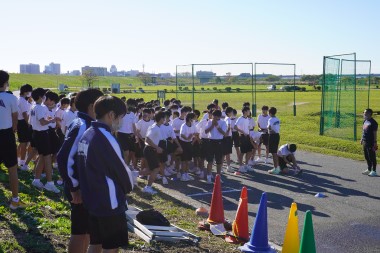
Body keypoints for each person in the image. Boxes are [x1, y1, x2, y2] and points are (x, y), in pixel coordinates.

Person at [77, 95, 134, 252]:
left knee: (95, 243)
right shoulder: (106, 137)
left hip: (92, 198)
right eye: (121, 117)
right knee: (111, 247)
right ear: (111, 115)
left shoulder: (88, 133)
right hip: (110, 202)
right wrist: (129, 188)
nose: (121, 122)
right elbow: (122, 171)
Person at [57, 88, 103, 253]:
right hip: (80, 189)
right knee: (79, 232)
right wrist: (74, 187)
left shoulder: (83, 122)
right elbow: (64, 157)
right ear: (92, 106)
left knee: (86, 232)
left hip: (86, 188)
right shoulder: (83, 125)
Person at [0, 70, 27, 209]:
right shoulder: (11, 98)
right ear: (5, 83)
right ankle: (15, 200)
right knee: (12, 168)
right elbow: (15, 118)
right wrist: (14, 130)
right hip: (6, 135)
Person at [30, 88, 60, 193]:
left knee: (42, 156)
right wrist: (52, 120)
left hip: (36, 133)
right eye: (44, 96)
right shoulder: (40, 107)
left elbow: (35, 121)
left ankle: (36, 179)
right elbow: (42, 122)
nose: (45, 98)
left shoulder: (34, 106)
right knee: (47, 158)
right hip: (42, 134)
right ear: (40, 97)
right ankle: (49, 183)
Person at [143, 111, 167, 193]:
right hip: (149, 150)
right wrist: (157, 147)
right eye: (164, 118)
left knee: (151, 169)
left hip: (151, 150)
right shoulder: (154, 128)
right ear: (161, 119)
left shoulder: (158, 127)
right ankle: (147, 187)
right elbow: (147, 139)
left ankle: (133, 174)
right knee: (156, 169)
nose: (165, 119)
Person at [205, 109, 227, 183]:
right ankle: (208, 176)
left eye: (215, 116)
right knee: (210, 160)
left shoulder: (223, 122)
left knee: (219, 161)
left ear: (218, 116)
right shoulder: (209, 122)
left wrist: (217, 126)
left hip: (219, 142)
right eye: (213, 115)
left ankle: (218, 177)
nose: (213, 117)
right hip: (210, 142)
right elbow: (206, 131)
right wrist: (212, 125)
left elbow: (224, 133)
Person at [17, 84, 33, 169]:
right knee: (24, 143)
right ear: (25, 92)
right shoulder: (22, 100)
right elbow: (24, 114)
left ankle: (20, 159)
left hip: (22, 122)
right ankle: (22, 162)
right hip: (23, 123)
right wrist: (29, 124)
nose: (30, 93)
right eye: (30, 91)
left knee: (23, 143)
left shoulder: (22, 100)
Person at [179, 112, 197, 181]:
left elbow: (195, 133)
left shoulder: (193, 125)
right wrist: (187, 138)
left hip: (189, 144)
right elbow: (181, 134)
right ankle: (183, 175)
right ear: (189, 119)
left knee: (188, 160)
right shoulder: (183, 125)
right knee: (184, 160)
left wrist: (192, 140)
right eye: (193, 118)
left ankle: (187, 174)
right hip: (183, 144)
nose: (194, 120)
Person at [234, 106, 253, 173]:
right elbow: (235, 127)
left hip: (247, 136)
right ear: (245, 111)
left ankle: (246, 164)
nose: (249, 112)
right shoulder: (240, 118)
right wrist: (242, 132)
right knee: (242, 152)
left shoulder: (247, 119)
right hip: (242, 137)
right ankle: (240, 166)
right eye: (248, 111)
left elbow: (247, 128)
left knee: (249, 151)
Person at [361, 108, 378, 177]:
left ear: (369, 114)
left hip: (371, 142)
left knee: (372, 157)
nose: (364, 114)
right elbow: (364, 130)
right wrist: (362, 139)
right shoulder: (365, 121)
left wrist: (375, 142)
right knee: (366, 156)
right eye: (364, 113)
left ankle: (374, 171)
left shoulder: (373, 123)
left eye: (365, 113)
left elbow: (375, 133)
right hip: (365, 141)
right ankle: (369, 169)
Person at [267, 107, 281, 175]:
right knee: (274, 152)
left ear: (270, 113)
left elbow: (269, 127)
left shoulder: (270, 119)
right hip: (277, 135)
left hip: (272, 136)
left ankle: (276, 168)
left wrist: (267, 129)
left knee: (273, 153)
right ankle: (276, 167)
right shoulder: (277, 119)